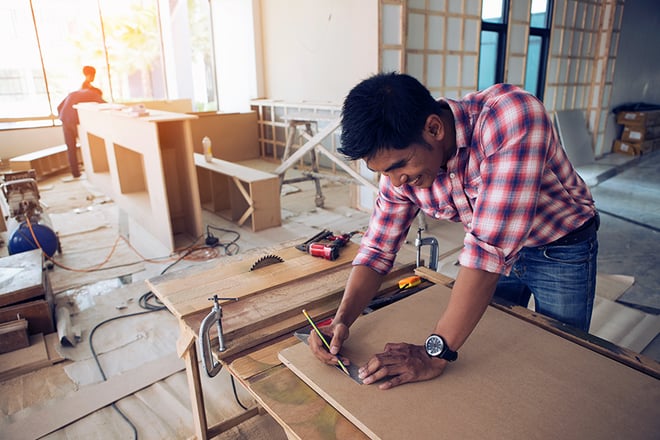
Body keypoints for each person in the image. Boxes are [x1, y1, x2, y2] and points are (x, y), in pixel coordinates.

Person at [309, 72, 599, 390]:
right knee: (497, 347)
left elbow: (487, 252)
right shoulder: (401, 165)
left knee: (562, 358)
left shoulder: (512, 118)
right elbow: (377, 248)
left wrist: (435, 354)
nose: (395, 182)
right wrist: (341, 320)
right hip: (493, 251)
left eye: (398, 167)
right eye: (382, 172)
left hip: (558, 244)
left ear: (434, 128)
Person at [57, 76, 105, 178]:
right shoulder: (93, 93)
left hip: (64, 119)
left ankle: (75, 173)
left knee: (71, 147)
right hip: (75, 121)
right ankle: (91, 172)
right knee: (87, 145)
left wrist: (64, 118)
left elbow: (59, 106)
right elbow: (104, 104)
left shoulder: (74, 93)